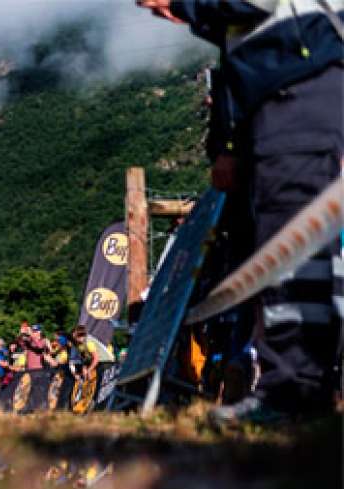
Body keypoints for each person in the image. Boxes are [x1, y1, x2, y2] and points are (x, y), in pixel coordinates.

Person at [138, 0, 343, 423]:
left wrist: (185, 4)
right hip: (284, 88)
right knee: (282, 251)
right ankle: (295, 387)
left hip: (300, 86)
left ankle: (295, 392)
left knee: (294, 252)